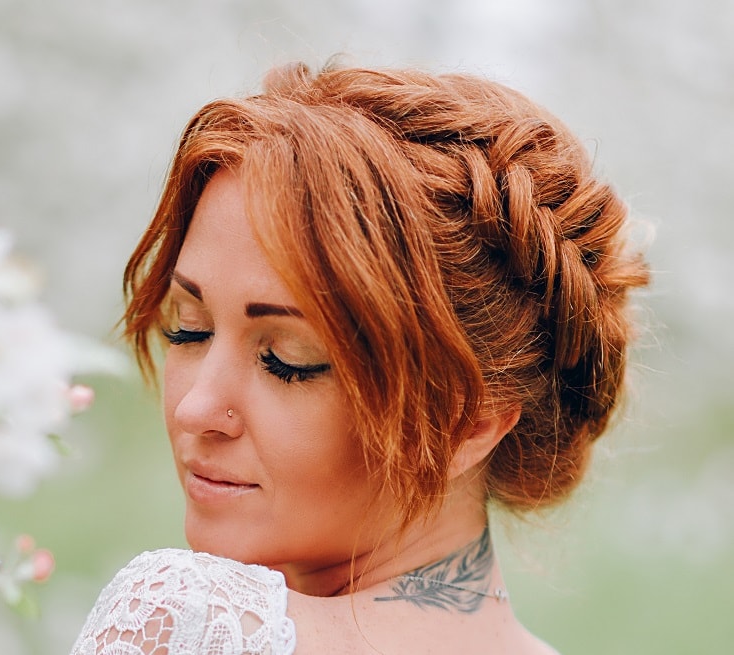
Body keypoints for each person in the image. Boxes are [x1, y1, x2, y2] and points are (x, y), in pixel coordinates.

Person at [69, 62, 649, 654]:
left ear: (464, 424)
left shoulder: (189, 622)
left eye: (288, 360)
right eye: (189, 329)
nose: (196, 408)